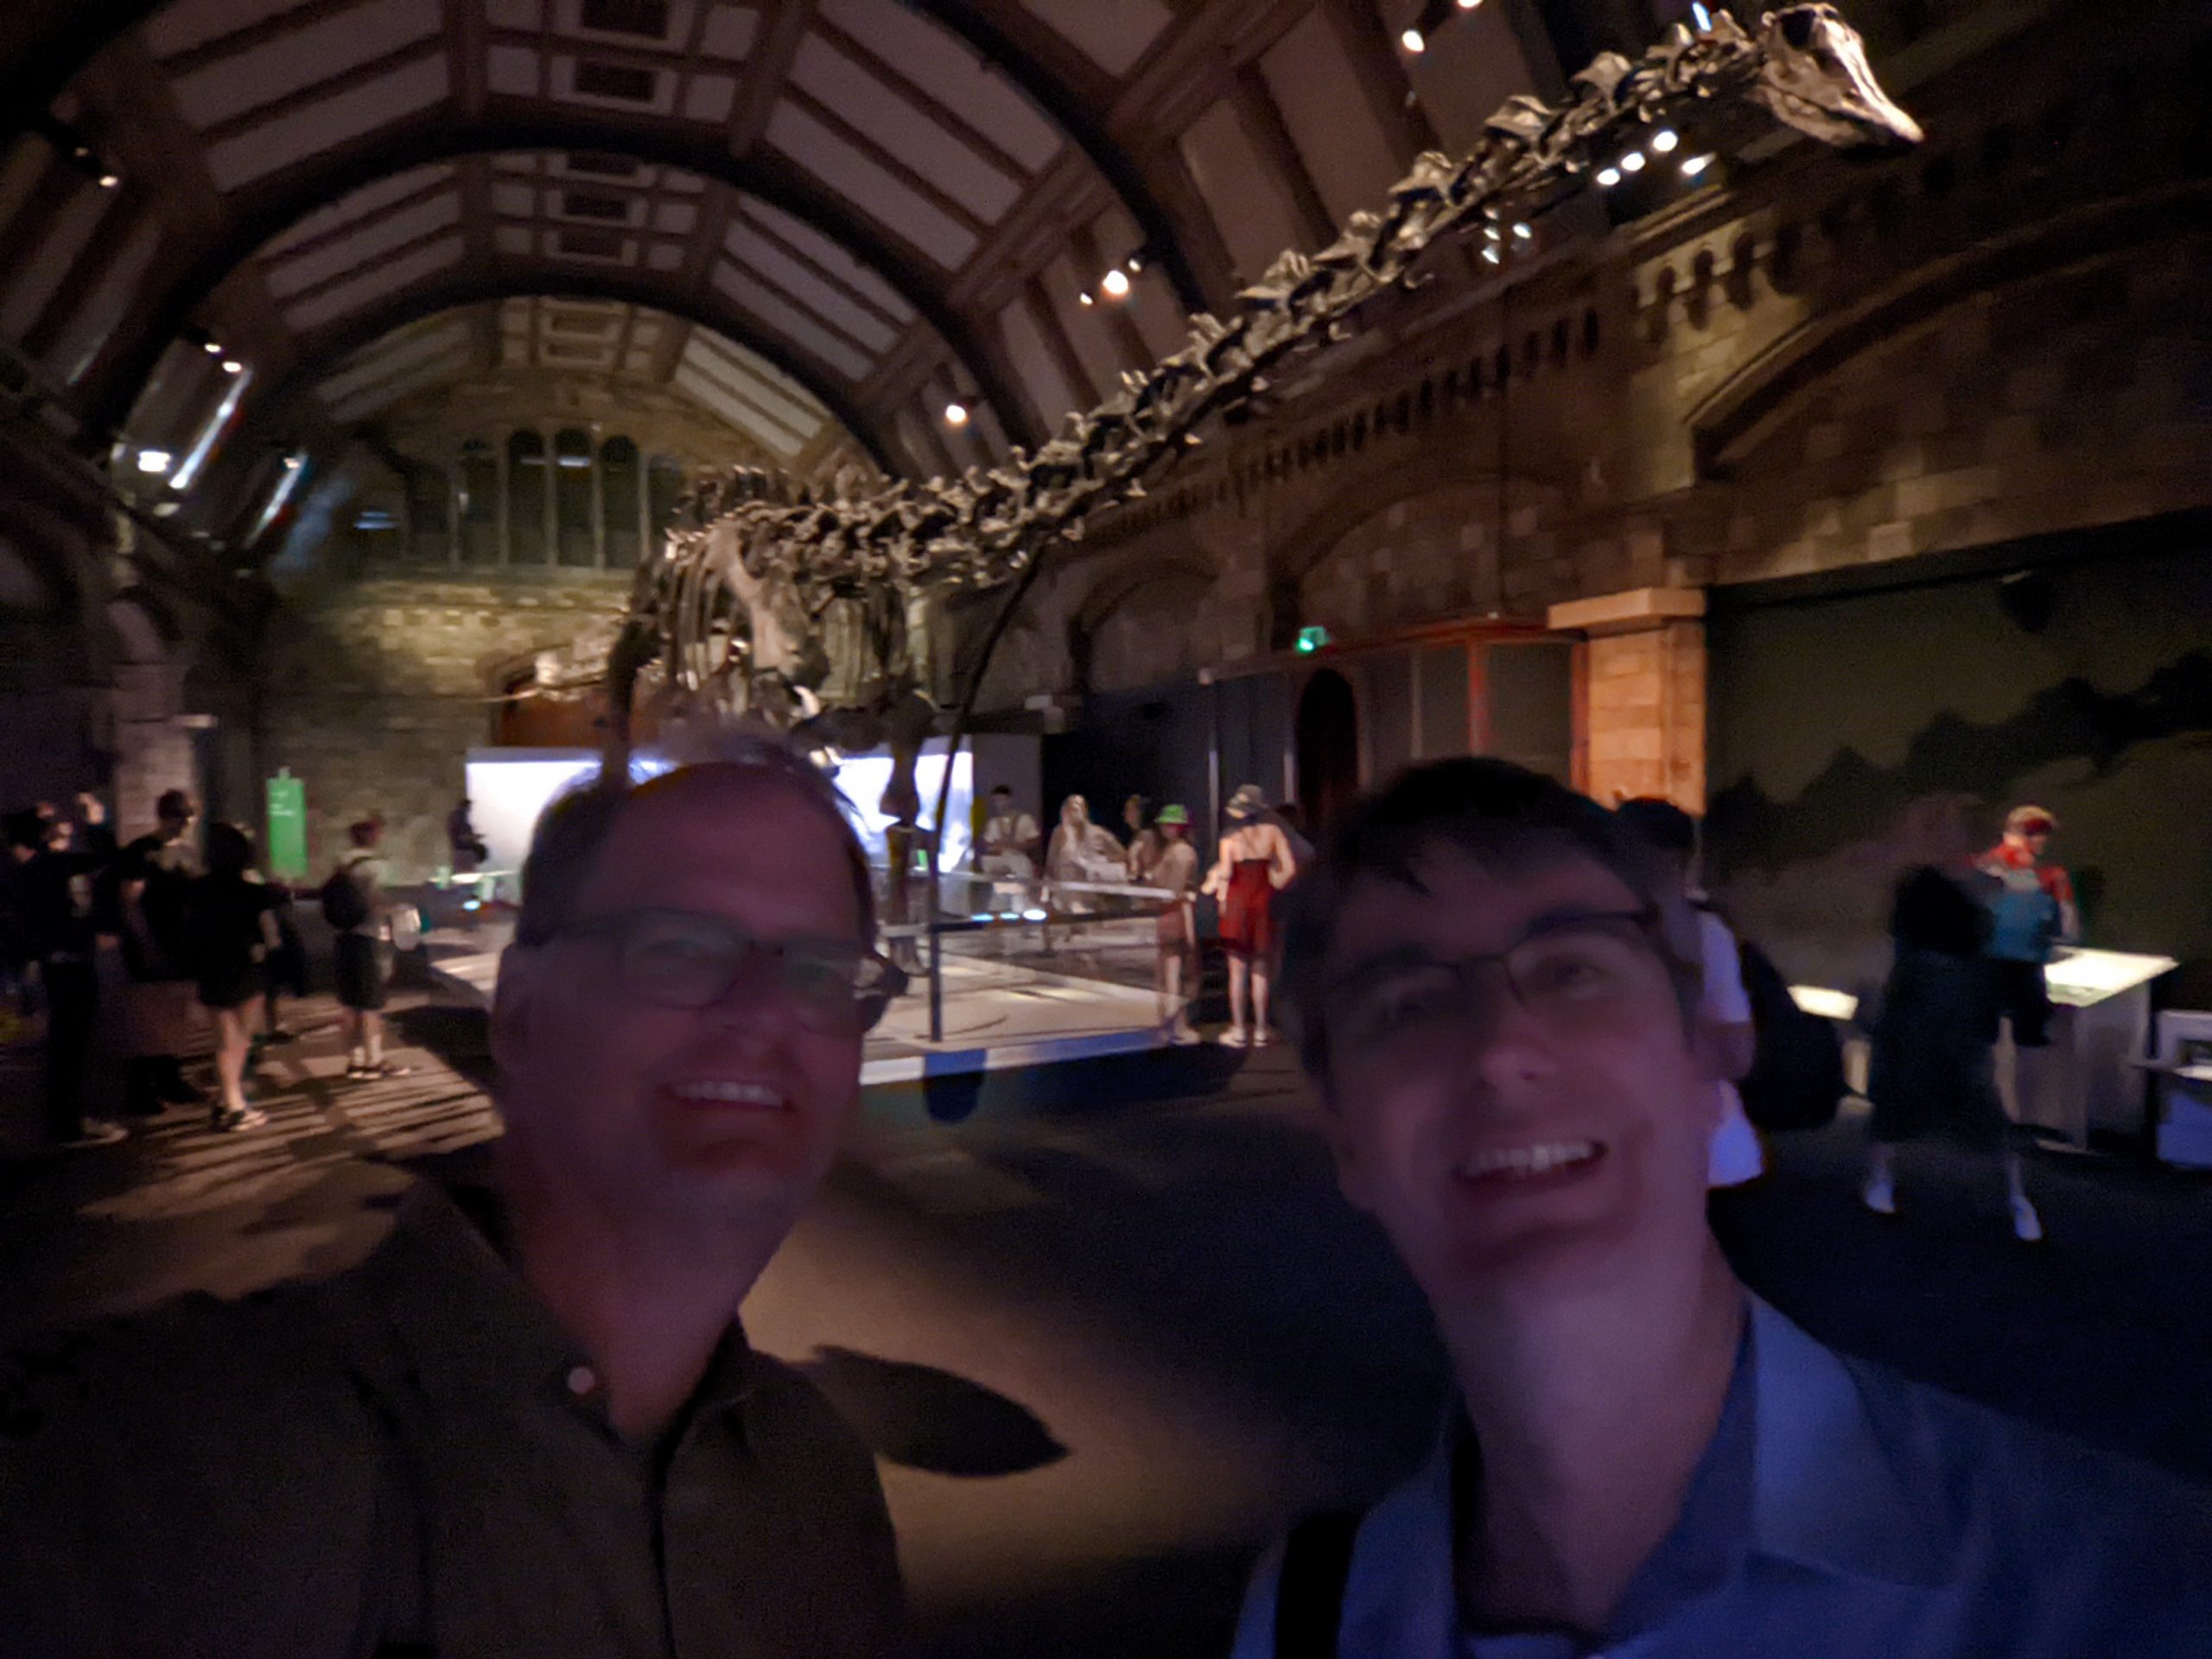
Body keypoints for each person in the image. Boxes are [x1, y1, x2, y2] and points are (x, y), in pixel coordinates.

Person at [1231, 758, 2212, 1658]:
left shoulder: (2128, 1591)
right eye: (1404, 1003)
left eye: (1572, 970)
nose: (1499, 1049)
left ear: (1708, 1059)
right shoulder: (1309, 1615)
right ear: (1346, 1135)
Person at [0, 727, 911, 1656]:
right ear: (520, 1012)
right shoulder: (196, 1461)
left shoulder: (818, 1478)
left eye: (821, 971)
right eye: (679, 947)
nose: (763, 1013)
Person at [1862, 866, 2042, 1240]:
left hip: (1916, 1050)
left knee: (1892, 1119)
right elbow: (1989, 1006)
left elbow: (1895, 1008)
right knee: (1992, 1129)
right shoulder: (1976, 956)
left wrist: (1879, 1032)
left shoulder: (1914, 960)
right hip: (1966, 1052)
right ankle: (2019, 1202)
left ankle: (1880, 1184)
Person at [1615, 798, 1764, 1187]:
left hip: (1692, 1155)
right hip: (1692, 1153)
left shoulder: (1703, 936)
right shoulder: (1703, 933)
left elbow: (1735, 1054)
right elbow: (1736, 1054)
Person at [4, 795, 125, 1148]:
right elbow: (109, 860)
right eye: (55, 823)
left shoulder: (26, 871)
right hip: (71, 965)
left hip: (53, 965)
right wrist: (97, 822)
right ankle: (69, 1124)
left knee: (64, 1044)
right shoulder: (54, 866)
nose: (65, 826)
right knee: (71, 1045)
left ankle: (65, 1118)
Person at [1973, 804, 2076, 1122]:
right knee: (2028, 1044)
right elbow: (2069, 929)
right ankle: (2021, 1119)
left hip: (1982, 968)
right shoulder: (2051, 877)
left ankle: (1986, 1114)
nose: (2043, 842)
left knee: (1985, 1043)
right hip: (2025, 969)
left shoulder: (1979, 867)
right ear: (2033, 835)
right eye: (2040, 835)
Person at [188, 823, 283, 1133]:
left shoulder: (196, 890)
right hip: (245, 971)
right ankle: (233, 1105)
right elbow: (271, 937)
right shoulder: (254, 894)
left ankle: (226, 1099)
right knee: (238, 1041)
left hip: (210, 968)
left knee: (222, 1039)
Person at [113, 789, 203, 1116]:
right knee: (149, 1018)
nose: (186, 823)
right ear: (165, 816)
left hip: (181, 947)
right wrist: (145, 943)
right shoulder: (141, 852)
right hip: (152, 946)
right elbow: (131, 903)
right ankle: (140, 1087)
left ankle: (170, 1077)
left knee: (176, 1015)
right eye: (181, 816)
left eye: (190, 816)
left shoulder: (186, 853)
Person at [1203, 783, 1297, 1047]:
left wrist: (1215, 891)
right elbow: (1289, 869)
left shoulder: (1230, 839)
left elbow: (1225, 873)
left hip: (1237, 902)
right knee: (1261, 968)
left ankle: (1239, 1028)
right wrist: (1273, 883)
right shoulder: (1274, 832)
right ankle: (1262, 1028)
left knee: (1237, 970)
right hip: (1262, 899)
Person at [330, 815, 410, 1083]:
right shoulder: (376, 866)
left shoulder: (343, 862)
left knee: (351, 1003)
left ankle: (354, 1061)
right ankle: (373, 1061)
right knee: (371, 1004)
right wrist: (395, 911)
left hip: (343, 937)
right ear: (373, 835)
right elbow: (378, 900)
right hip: (369, 936)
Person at [1147, 804, 1201, 1044]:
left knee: (1170, 973)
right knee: (1173, 974)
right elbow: (1176, 892)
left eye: (1170, 823)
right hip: (1174, 914)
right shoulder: (1180, 852)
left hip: (1170, 913)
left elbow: (1171, 889)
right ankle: (1176, 1026)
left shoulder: (1175, 852)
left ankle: (1170, 1025)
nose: (1166, 828)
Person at [1124, 794, 1165, 885]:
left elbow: (1140, 859)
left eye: (1130, 810)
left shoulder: (1146, 835)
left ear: (1139, 812)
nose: (1126, 814)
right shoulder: (1139, 835)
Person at [446, 796, 488, 874]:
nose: (470, 810)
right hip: (463, 852)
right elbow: (461, 837)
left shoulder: (458, 817)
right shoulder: (459, 818)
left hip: (462, 852)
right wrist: (473, 837)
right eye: (469, 807)